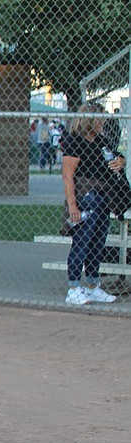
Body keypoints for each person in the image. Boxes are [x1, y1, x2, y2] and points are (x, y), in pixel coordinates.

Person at [61, 104, 125, 305]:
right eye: (98, 119)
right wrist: (73, 206)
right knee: (82, 241)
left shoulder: (101, 141)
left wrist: (121, 161)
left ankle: (92, 285)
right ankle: (73, 287)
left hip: (103, 198)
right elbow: (68, 175)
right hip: (86, 197)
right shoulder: (75, 141)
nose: (102, 123)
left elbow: (118, 155)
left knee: (98, 242)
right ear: (88, 119)